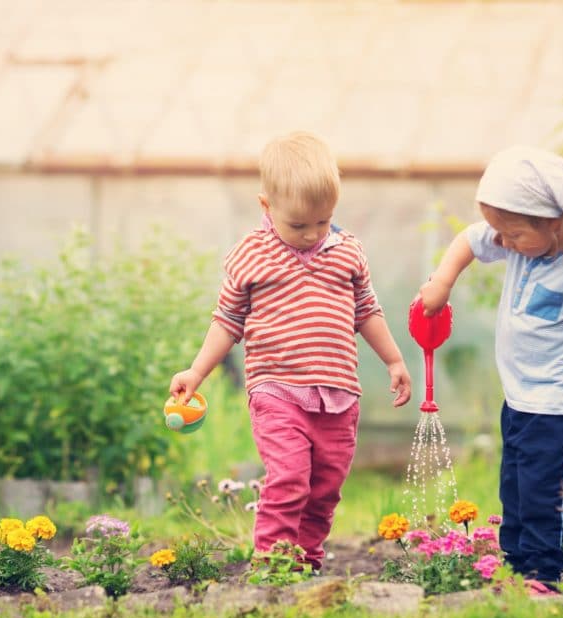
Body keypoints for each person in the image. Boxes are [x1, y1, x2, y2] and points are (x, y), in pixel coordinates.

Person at [170, 131, 412, 571]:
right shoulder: (251, 255)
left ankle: (307, 558)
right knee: (289, 477)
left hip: (338, 394)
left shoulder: (347, 253)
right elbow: (227, 321)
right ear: (267, 206)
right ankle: (273, 562)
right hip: (276, 389)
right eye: (298, 225)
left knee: (324, 487)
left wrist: (394, 359)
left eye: (323, 222)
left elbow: (367, 311)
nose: (312, 234)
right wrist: (196, 371)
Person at [419, 145, 563, 594]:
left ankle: (548, 573)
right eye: (501, 232)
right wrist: (441, 283)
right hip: (520, 401)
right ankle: (517, 563)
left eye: (513, 234)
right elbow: (467, 242)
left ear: (551, 222)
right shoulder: (517, 241)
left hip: (562, 409)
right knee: (516, 486)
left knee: (548, 495)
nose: (503, 242)